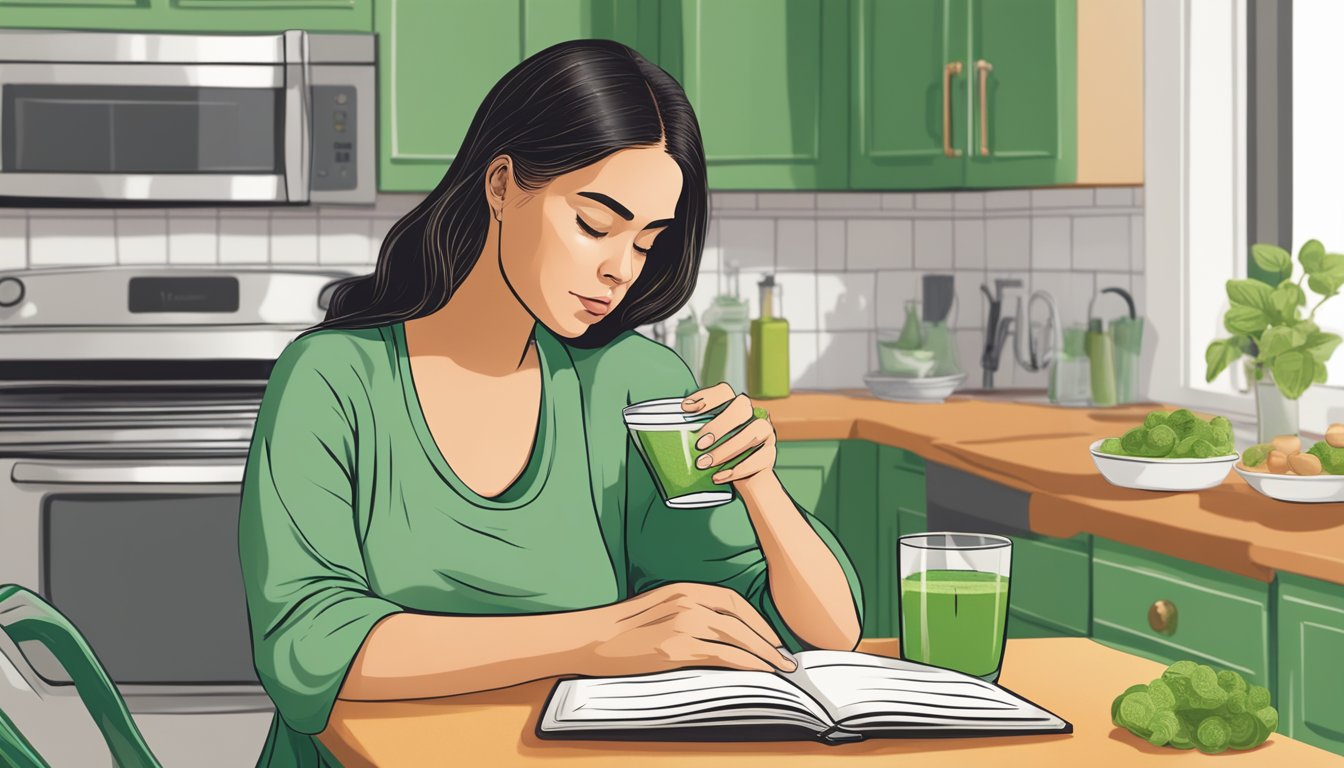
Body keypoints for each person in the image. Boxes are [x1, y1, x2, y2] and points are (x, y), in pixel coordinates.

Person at [238, 38, 862, 767]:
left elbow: (825, 633)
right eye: (594, 225)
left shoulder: (637, 385)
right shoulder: (334, 379)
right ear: (501, 185)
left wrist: (760, 486)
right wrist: (597, 638)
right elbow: (309, 646)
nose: (618, 270)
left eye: (647, 243)